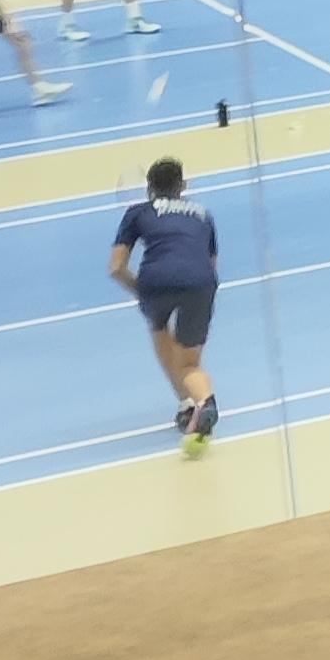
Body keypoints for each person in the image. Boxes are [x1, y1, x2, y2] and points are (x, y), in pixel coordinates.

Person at [108, 156, 220, 452]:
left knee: (159, 327)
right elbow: (211, 266)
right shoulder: (203, 214)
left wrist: (141, 292)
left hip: (155, 281)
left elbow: (116, 267)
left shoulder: (137, 212)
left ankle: (187, 405)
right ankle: (204, 401)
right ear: (183, 186)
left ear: (149, 189)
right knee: (189, 363)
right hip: (201, 282)